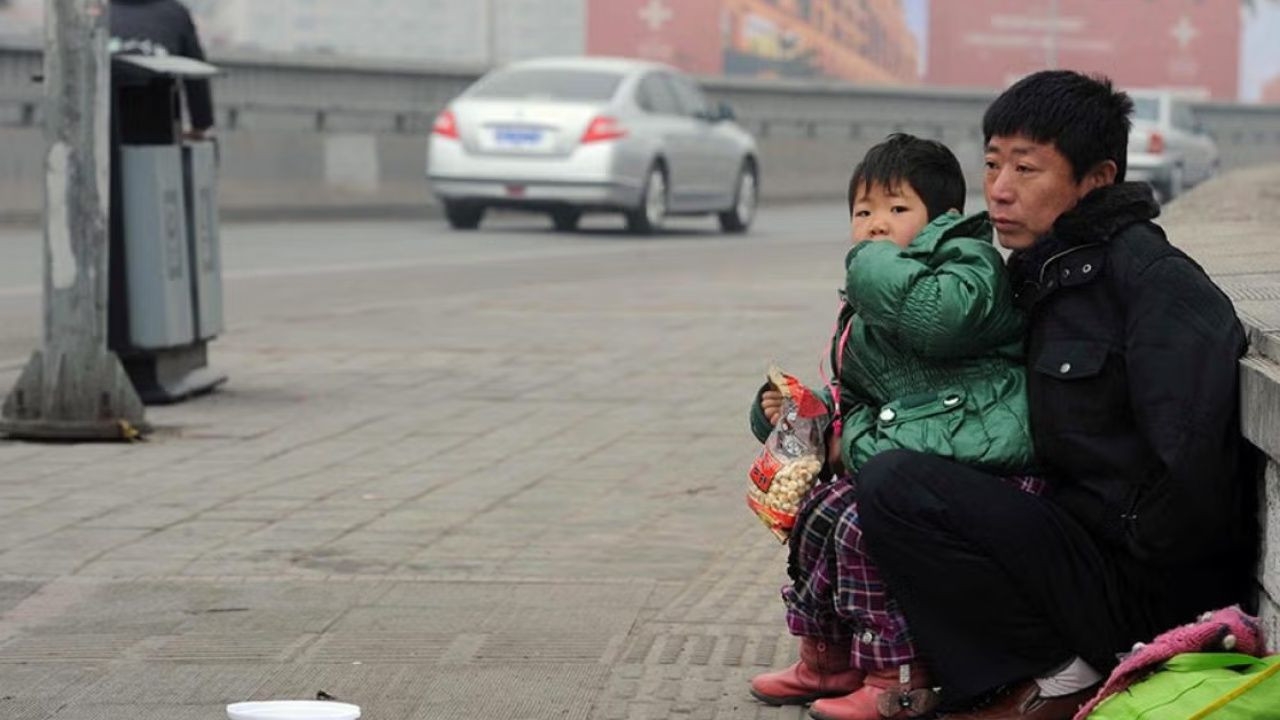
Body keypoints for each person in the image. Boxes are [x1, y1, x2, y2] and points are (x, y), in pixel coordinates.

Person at [855, 71, 1257, 720]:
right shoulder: (1035, 275)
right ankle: (1006, 677)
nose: (1000, 189)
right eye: (991, 164)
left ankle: (1055, 678)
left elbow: (1195, 478)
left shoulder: (1157, 286)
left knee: (900, 483)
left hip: (1142, 584)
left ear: (1096, 179)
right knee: (885, 478)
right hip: (1073, 542)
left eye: (1027, 169)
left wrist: (1123, 538)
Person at [746, 134, 1041, 720]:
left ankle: (898, 678)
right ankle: (829, 657)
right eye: (863, 213)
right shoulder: (875, 302)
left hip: (980, 465)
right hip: (908, 457)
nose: (877, 227)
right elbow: (856, 394)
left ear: (944, 219)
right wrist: (796, 414)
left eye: (897, 210)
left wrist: (871, 266)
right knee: (820, 511)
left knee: (860, 526)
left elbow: (945, 322)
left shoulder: (969, 265)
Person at [109, 0, 215, 139]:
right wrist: (201, 124)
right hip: (158, 127)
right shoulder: (175, 13)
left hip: (104, 127)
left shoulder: (95, 13)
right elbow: (197, 77)